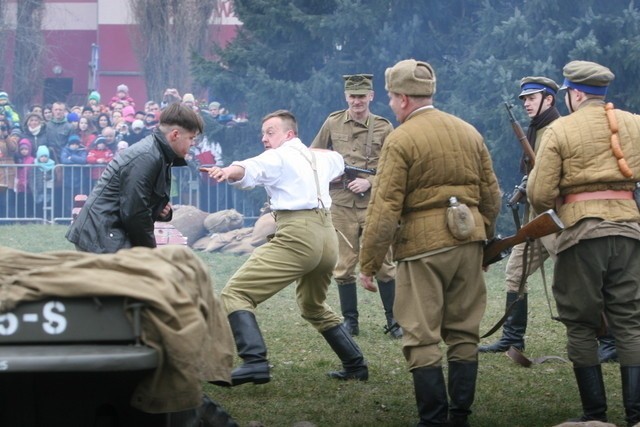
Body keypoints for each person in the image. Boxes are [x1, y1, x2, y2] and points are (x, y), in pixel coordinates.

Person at [358, 59, 501, 426]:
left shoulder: (400, 138)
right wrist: (483, 243)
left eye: (390, 97)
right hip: (469, 241)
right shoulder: (469, 131)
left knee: (421, 336)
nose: (390, 103)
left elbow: (384, 207)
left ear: (403, 99)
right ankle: (460, 416)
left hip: (423, 249)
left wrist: (369, 263)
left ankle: (433, 420)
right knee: (464, 331)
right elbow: (491, 196)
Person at [201, 109, 369, 387]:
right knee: (312, 305)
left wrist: (227, 171)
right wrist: (309, 151)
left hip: (298, 235)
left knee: (236, 293)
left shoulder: (277, 156)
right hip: (328, 237)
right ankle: (355, 365)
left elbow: (249, 168)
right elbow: (338, 162)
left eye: (270, 132)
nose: (264, 139)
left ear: (289, 134)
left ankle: (254, 362)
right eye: (263, 133)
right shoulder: (320, 158)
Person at [528, 60, 640, 425]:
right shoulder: (635, 123)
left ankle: (595, 415)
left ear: (575, 94)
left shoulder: (559, 130)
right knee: (630, 322)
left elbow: (541, 195)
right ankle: (636, 414)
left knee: (580, 324)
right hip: (629, 232)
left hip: (581, 235)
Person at [310, 73, 400, 338]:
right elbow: (315, 153)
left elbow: (394, 165)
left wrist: (369, 182)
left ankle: (393, 321)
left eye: (362, 96)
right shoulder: (333, 122)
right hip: (341, 205)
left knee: (383, 262)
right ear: (346, 96)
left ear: (371, 96)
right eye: (353, 96)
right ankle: (351, 322)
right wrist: (332, 172)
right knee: (344, 264)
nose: (357, 101)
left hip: (374, 204)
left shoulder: (384, 127)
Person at [479, 76, 561, 354]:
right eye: (524, 99)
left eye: (532, 98)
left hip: (560, 219)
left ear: (549, 100)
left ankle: (609, 341)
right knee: (515, 272)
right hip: (537, 218)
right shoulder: (536, 129)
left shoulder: (558, 130)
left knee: (579, 279)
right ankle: (513, 339)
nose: (526, 103)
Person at [66, 102, 203, 253]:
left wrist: (159, 209)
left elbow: (138, 203)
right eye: (191, 138)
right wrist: (150, 254)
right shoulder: (147, 157)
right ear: (175, 135)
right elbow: (135, 213)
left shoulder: (157, 154)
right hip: (103, 238)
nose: (193, 143)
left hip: (108, 233)